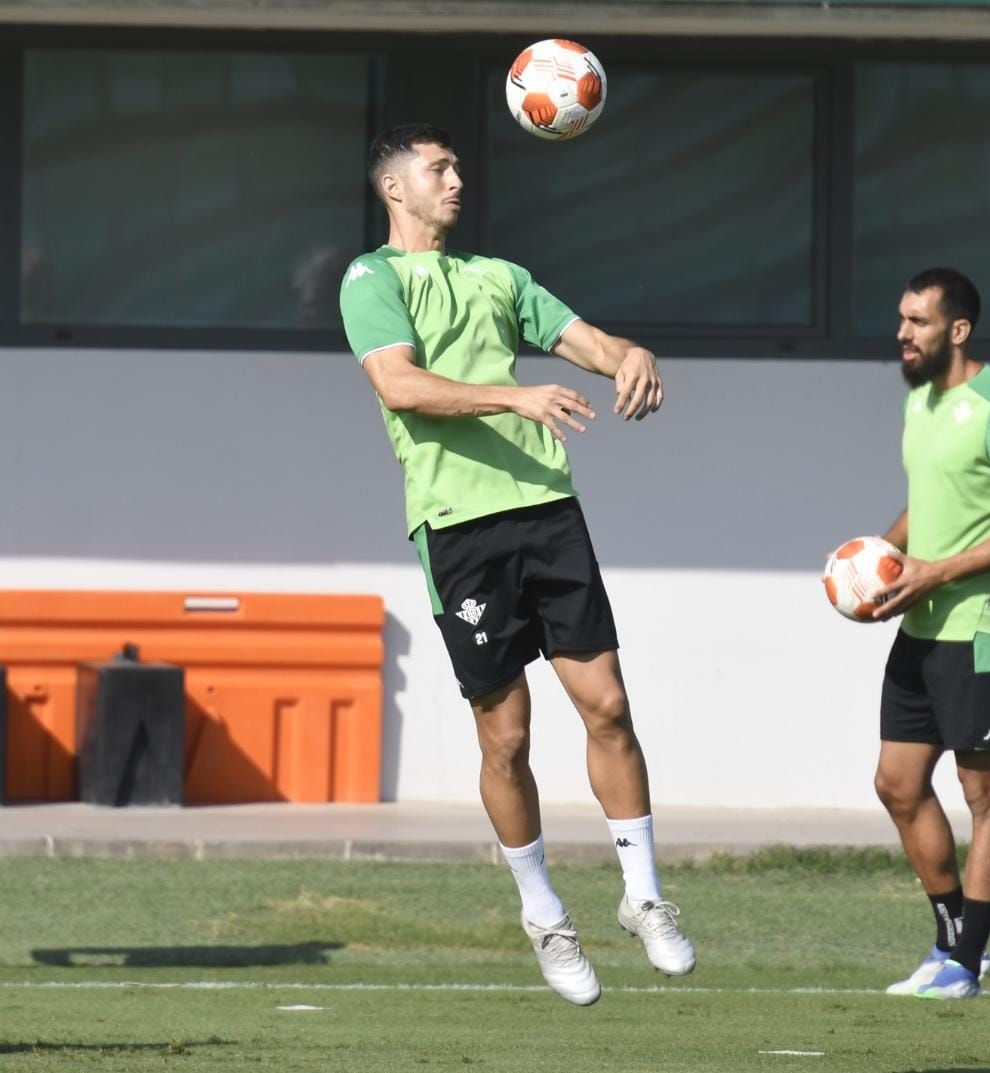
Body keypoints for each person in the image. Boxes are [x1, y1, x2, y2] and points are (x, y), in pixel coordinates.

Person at [338, 123, 693, 1007]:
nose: (457, 180)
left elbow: (585, 341)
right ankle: (544, 915)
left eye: (456, 167)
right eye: (438, 169)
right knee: (508, 734)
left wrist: (630, 355)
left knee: (608, 703)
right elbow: (401, 385)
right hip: (459, 527)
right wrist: (513, 393)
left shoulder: (499, 276)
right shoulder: (370, 279)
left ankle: (645, 896)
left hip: (547, 511)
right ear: (395, 188)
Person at [868, 267, 990, 1000]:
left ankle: (968, 962)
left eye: (917, 321)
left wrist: (936, 572)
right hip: (922, 620)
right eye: (901, 318)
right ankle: (949, 942)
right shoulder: (920, 403)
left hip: (984, 629)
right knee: (897, 783)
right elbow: (925, 505)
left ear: (958, 329)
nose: (902, 333)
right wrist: (875, 563)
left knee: (985, 793)